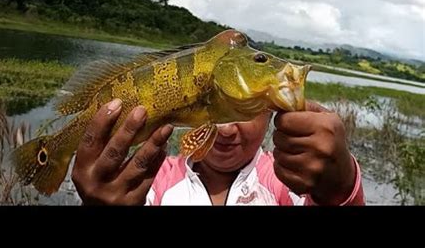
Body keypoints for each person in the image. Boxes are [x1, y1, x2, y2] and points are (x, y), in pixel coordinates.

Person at [71, 98, 365, 205]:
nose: (225, 130)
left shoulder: (290, 187)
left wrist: (341, 190)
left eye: (244, 110)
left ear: (270, 115)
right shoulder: (148, 183)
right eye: (212, 110)